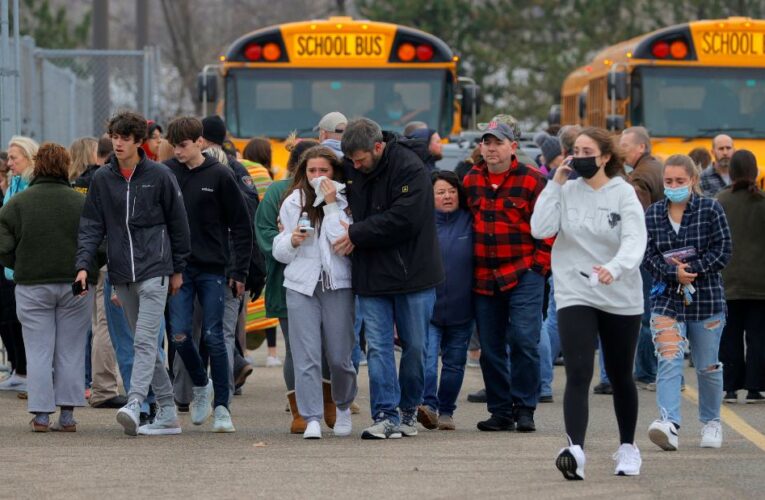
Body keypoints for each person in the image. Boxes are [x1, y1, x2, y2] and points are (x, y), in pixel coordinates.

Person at [531, 126, 647, 479]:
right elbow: (540, 228)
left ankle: (628, 447)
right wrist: (555, 183)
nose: (579, 157)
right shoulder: (565, 190)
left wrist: (614, 268)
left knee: (621, 374)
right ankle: (575, 450)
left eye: (586, 151)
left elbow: (634, 240)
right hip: (575, 291)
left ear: (605, 156)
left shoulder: (622, 194)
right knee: (579, 372)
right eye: (575, 151)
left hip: (620, 294)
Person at [75, 110, 191, 437]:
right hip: (120, 273)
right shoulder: (102, 178)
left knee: (144, 339)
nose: (119, 143)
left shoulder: (159, 175)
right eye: (116, 137)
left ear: (139, 141)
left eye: (126, 138)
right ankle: (167, 411)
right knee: (146, 346)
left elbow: (179, 225)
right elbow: (91, 226)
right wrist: (83, 266)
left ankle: (136, 402)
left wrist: (178, 268)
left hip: (156, 269)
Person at [338, 118, 443, 439]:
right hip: (371, 273)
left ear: (378, 147)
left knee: (415, 347)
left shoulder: (410, 167)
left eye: (360, 159)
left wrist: (357, 233)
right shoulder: (351, 167)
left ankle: (409, 410)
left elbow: (405, 218)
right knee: (379, 348)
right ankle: (385, 413)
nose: (355, 166)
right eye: (352, 161)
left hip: (414, 273)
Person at [0, 143, 100, 432]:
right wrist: (90, 266)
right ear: (65, 166)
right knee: (71, 348)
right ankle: (67, 415)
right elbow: (100, 240)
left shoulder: (19, 203)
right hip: (77, 284)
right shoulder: (81, 202)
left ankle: (42, 415)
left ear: (37, 165)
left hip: (32, 283)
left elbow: (3, 243)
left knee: (38, 349)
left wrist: (17, 263)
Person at [164, 116, 252, 433]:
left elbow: (242, 227)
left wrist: (239, 271)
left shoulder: (220, 176)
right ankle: (201, 384)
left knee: (215, 336)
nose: (178, 151)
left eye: (183, 145)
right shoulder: (168, 174)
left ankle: (223, 408)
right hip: (179, 270)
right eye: (174, 145)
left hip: (214, 269)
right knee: (179, 334)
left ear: (200, 142)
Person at [463, 121, 550, 434]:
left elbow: (548, 225)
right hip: (484, 276)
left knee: (525, 340)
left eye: (497, 143)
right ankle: (500, 410)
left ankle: (525, 408)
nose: (491, 148)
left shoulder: (533, 180)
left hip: (524, 271)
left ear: (513, 147)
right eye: (486, 142)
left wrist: (540, 266)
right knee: (490, 347)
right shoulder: (470, 179)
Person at [643, 154, 732, 451]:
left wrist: (694, 271)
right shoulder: (654, 214)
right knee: (668, 358)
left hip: (706, 297)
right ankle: (669, 422)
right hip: (667, 297)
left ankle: (711, 422)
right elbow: (647, 255)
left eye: (680, 181)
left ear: (693, 180)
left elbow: (724, 250)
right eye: (668, 181)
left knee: (707, 366)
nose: (674, 186)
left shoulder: (711, 208)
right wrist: (673, 273)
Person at [272, 146, 356, 439]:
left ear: (335, 172)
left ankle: (343, 406)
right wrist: (292, 241)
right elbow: (280, 251)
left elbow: (340, 241)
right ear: (303, 173)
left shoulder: (347, 200)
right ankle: (311, 418)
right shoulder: (293, 201)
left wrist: (331, 204)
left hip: (337, 284)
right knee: (305, 355)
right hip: (300, 285)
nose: (317, 177)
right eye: (312, 171)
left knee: (339, 356)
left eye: (324, 171)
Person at [257, 137, 334, 434]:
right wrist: (286, 242)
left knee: (328, 345)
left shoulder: (333, 192)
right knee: (299, 348)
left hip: (327, 279)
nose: (317, 175)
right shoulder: (279, 191)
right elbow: (264, 232)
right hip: (287, 279)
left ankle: (326, 399)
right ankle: (300, 409)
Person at [70, 137, 125, 410]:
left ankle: (86, 383)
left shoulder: (76, 184)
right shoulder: (106, 180)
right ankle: (104, 387)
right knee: (106, 325)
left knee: (90, 324)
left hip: (83, 259)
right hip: (105, 258)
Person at [417, 170, 473, 431]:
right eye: (440, 192)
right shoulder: (422, 222)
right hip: (429, 307)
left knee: (454, 363)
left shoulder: (470, 220)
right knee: (427, 362)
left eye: (451, 191)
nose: (447, 196)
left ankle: (447, 411)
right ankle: (428, 406)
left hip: (463, 308)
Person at [716, 150, 765, 403]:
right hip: (760, 284)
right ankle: (756, 388)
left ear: (731, 172)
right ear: (755, 171)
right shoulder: (762, 201)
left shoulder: (720, 201)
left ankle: (730, 387)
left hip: (728, 282)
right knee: (758, 337)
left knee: (729, 335)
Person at [619, 126, 664, 391]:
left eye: (625, 145)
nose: (621, 149)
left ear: (641, 148)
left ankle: (647, 371)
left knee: (647, 314)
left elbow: (638, 218)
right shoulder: (657, 168)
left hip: (648, 253)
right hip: (661, 251)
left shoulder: (640, 177)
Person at [0, 136, 39, 395]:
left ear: (28, 157)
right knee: (11, 316)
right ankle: (21, 369)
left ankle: (32, 373)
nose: (10, 163)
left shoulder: (33, 185)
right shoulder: (14, 183)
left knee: (29, 322)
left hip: (28, 266)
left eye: (14, 158)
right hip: (10, 265)